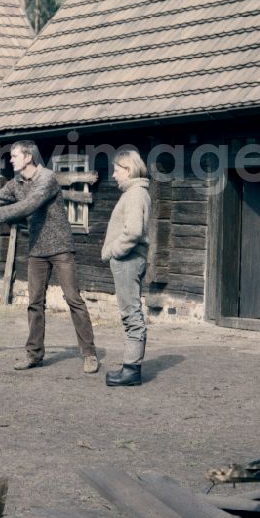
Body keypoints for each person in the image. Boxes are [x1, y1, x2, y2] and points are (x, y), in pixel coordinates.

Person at [0, 139, 99, 373]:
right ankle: (34, 355)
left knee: (73, 299)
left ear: (28, 157)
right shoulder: (16, 182)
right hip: (37, 249)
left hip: (60, 247)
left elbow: (28, 206)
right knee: (34, 303)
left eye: (15, 155)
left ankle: (89, 354)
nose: (11, 159)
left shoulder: (47, 179)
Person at [101, 149, 152, 387]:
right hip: (129, 261)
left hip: (128, 261)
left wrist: (114, 251)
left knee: (131, 315)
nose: (113, 175)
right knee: (131, 313)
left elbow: (133, 232)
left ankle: (132, 370)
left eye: (117, 170)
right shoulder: (136, 193)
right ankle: (130, 366)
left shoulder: (135, 194)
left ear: (128, 170)